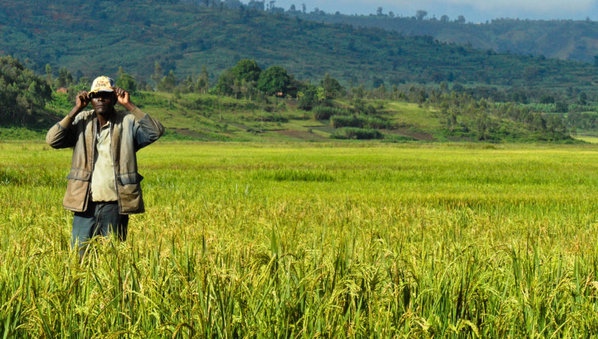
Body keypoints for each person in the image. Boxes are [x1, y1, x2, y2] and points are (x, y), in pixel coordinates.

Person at [46, 76, 165, 256]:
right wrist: (76, 108)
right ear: (90, 99)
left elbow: (155, 131)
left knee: (112, 260)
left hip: (115, 204)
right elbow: (52, 140)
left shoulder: (127, 122)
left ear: (115, 98)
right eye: (96, 95)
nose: (101, 99)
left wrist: (130, 105)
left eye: (106, 95)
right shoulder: (81, 121)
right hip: (85, 204)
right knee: (79, 258)